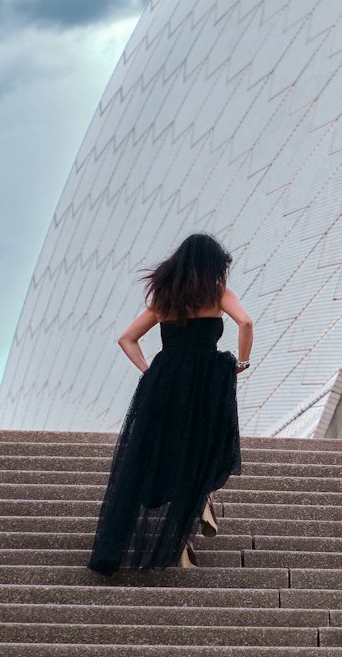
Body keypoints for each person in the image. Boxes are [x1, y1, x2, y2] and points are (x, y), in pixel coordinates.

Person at [88, 233, 252, 575]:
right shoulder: (218, 294)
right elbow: (246, 322)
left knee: (161, 450)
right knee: (205, 445)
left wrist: (151, 371)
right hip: (208, 379)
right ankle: (199, 504)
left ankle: (179, 527)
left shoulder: (164, 298)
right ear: (212, 265)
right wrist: (242, 362)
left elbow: (127, 338)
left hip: (167, 380)